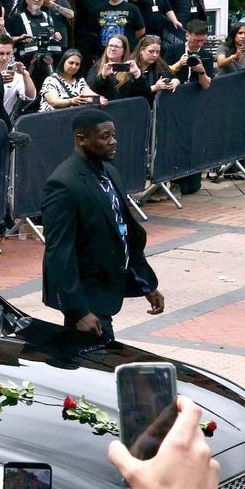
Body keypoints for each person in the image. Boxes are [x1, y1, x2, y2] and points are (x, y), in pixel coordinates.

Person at [41, 107, 165, 340]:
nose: (113, 141)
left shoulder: (110, 172)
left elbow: (123, 233)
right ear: (82, 140)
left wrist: (146, 284)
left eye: (113, 135)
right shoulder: (63, 184)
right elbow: (59, 251)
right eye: (105, 136)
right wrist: (77, 311)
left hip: (107, 289)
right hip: (88, 299)